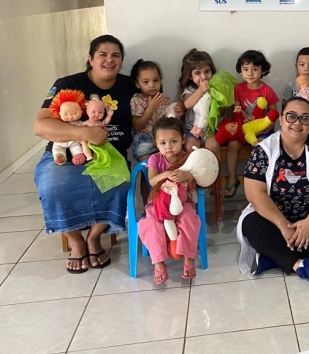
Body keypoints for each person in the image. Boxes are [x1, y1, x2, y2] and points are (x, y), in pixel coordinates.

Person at [33, 35, 134, 273]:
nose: (109, 60)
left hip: (109, 156)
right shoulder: (68, 84)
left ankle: (94, 238)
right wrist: (84, 135)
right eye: (103, 54)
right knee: (53, 187)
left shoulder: (129, 85)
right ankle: (77, 240)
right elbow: (40, 126)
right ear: (90, 59)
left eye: (116, 55)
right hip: (64, 154)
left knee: (118, 184)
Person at [236, 97, 309, 285]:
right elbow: (254, 193)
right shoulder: (263, 150)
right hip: (273, 218)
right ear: (281, 120)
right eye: (291, 117)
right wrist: (283, 225)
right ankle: (301, 264)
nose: (297, 123)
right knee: (251, 224)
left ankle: (271, 256)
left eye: (305, 118)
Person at [138, 117, 201, 284]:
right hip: (158, 203)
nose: (169, 146)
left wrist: (186, 175)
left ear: (183, 140)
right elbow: (152, 181)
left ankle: (189, 259)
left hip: (182, 203)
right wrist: (165, 174)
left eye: (173, 141)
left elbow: (195, 183)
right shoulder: (155, 159)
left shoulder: (188, 158)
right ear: (156, 144)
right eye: (163, 143)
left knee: (189, 220)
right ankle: (158, 264)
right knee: (150, 224)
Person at [224, 50, 280, 198]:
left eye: (255, 69)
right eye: (246, 69)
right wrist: (245, 116)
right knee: (233, 145)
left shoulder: (267, 90)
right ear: (240, 71)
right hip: (244, 128)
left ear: (263, 71)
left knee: (262, 147)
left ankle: (263, 184)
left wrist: (269, 124)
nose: (250, 73)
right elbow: (237, 108)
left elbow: (274, 112)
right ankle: (232, 178)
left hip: (263, 131)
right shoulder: (238, 89)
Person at [129, 59, 173, 161]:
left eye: (155, 80)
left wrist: (177, 110)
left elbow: (171, 121)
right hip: (144, 140)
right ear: (137, 83)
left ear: (160, 80)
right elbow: (137, 126)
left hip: (163, 140)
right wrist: (150, 108)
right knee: (148, 166)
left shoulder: (165, 100)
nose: (152, 85)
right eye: (146, 82)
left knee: (167, 163)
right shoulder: (137, 100)